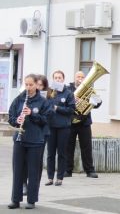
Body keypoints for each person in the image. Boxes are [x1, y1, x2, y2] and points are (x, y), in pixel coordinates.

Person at [8, 74, 51, 209]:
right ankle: (15, 200)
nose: (28, 87)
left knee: (33, 171)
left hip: (35, 140)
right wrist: (17, 120)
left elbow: (45, 120)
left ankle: (31, 200)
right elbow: (11, 116)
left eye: (31, 85)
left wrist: (32, 113)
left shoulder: (42, 101)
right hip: (20, 139)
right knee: (18, 170)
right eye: (26, 85)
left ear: (36, 84)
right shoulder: (19, 99)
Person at [65, 71, 101, 178]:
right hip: (71, 121)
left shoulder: (89, 89)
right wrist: (73, 99)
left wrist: (91, 99)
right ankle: (67, 170)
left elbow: (97, 104)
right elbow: (64, 102)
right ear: (74, 78)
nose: (80, 78)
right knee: (68, 147)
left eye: (82, 77)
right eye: (78, 77)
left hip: (84, 121)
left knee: (86, 147)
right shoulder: (68, 89)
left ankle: (89, 170)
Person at [45, 70, 76, 186]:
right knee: (50, 153)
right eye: (56, 78)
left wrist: (57, 108)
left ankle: (60, 178)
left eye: (60, 78)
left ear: (63, 79)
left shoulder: (68, 93)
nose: (58, 80)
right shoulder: (50, 93)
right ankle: (49, 177)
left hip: (63, 127)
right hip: (51, 126)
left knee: (62, 153)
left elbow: (71, 110)